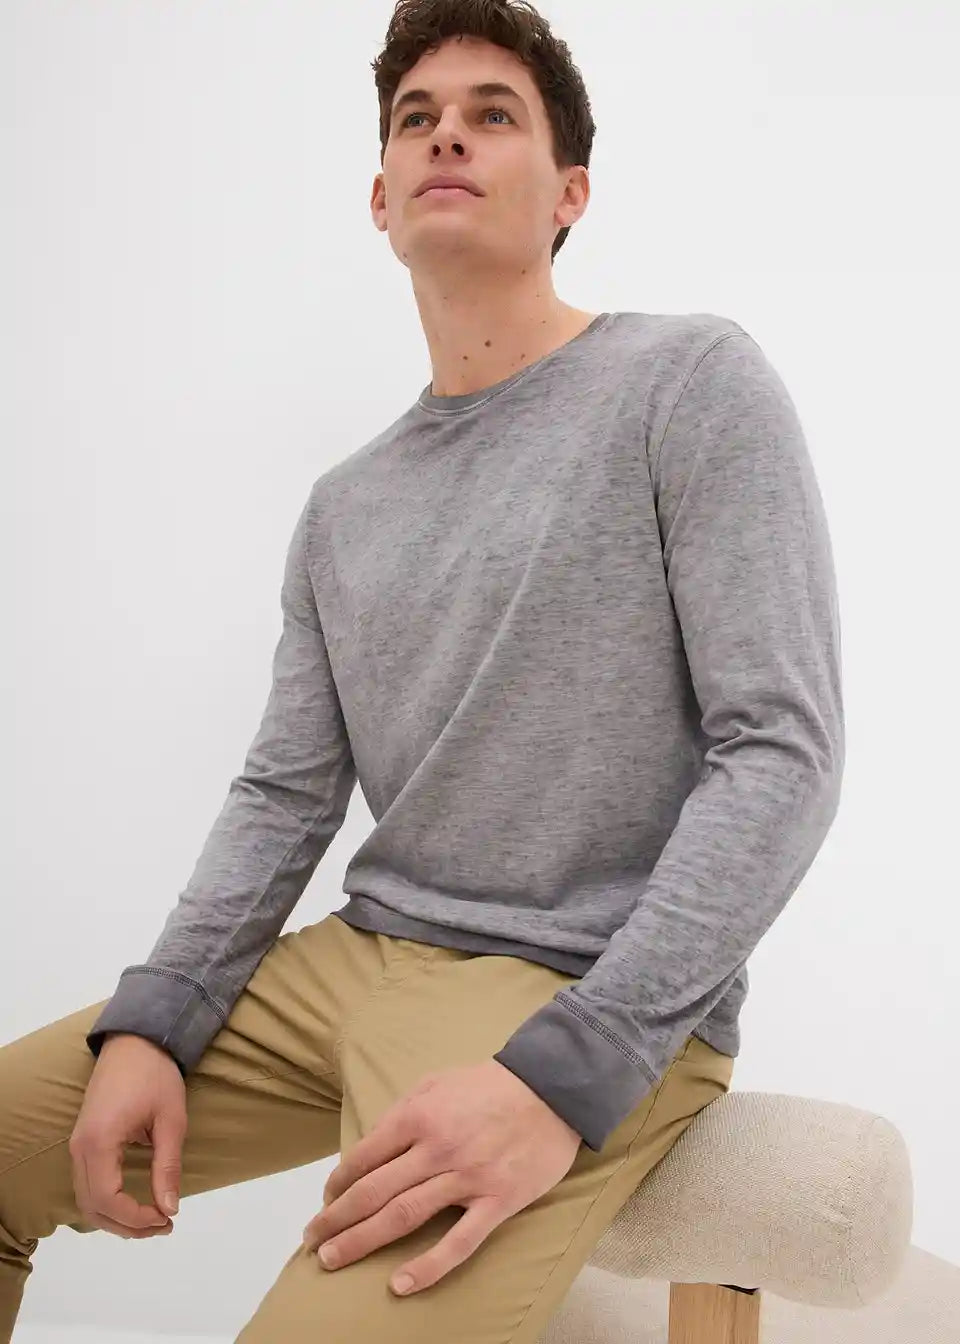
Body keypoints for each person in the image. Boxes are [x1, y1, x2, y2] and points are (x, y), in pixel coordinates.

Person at [0, 1, 845, 1340]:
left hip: (573, 981)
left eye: (493, 114)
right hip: (358, 956)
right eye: (416, 119)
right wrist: (158, 1019)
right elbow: (283, 797)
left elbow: (781, 755)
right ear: (381, 197)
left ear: (568, 194)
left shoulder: (687, 382)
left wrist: (570, 1070)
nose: (447, 132)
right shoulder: (343, 505)